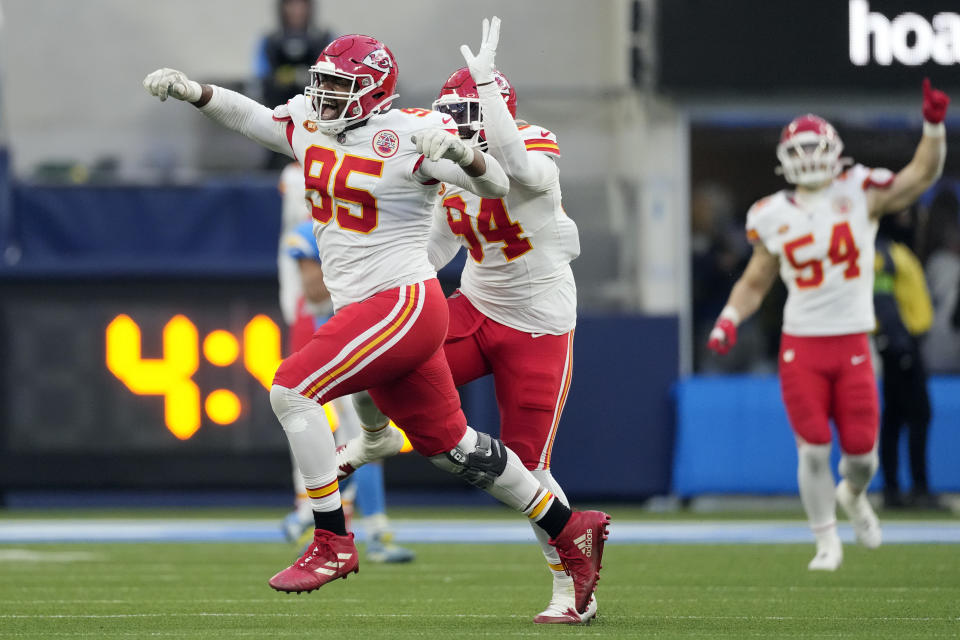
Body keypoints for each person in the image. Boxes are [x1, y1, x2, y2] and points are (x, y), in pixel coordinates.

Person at [143, 32, 607, 615]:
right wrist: (196, 92)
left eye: (341, 87)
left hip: (403, 302)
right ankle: (571, 529)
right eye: (323, 84)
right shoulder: (311, 123)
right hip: (390, 303)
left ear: (374, 92)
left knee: (292, 388)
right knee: (452, 448)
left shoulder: (411, 134)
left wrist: (463, 153)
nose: (325, 97)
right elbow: (256, 119)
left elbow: (497, 182)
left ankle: (333, 539)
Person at [335, 17, 596, 625]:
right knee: (384, 356)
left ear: (500, 113)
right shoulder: (448, 163)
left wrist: (484, 84)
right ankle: (383, 435)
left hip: (538, 325)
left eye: (476, 113)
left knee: (530, 468)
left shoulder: (534, 149)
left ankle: (570, 580)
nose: (462, 129)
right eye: (456, 115)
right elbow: (433, 249)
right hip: (476, 307)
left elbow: (523, 176)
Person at [707, 79, 949, 571]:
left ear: (836, 151)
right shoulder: (772, 214)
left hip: (854, 341)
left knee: (862, 456)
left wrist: (933, 127)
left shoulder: (859, 189)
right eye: (802, 149)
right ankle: (826, 541)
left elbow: (921, 176)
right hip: (803, 345)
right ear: (785, 158)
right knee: (814, 448)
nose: (812, 157)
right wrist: (729, 318)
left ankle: (855, 496)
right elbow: (755, 281)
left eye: (818, 147)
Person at [281, 219, 416, 563]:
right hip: (337, 340)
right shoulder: (311, 229)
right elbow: (313, 290)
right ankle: (360, 532)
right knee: (363, 435)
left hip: (370, 334)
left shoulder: (376, 215)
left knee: (370, 435)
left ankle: (320, 523)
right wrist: (364, 271)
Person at [873, 213, 940, 510]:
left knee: (896, 418)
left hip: (903, 342)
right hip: (901, 344)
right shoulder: (883, 254)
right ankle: (916, 488)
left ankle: (894, 490)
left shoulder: (894, 252)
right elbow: (884, 301)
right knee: (917, 415)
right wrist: (900, 346)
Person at [255, 0, 335, 168]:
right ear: (282, 8)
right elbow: (260, 78)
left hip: (319, 129)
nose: (296, 10)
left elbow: (337, 77)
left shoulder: (325, 38)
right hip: (277, 127)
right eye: (291, 4)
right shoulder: (269, 42)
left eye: (301, 5)